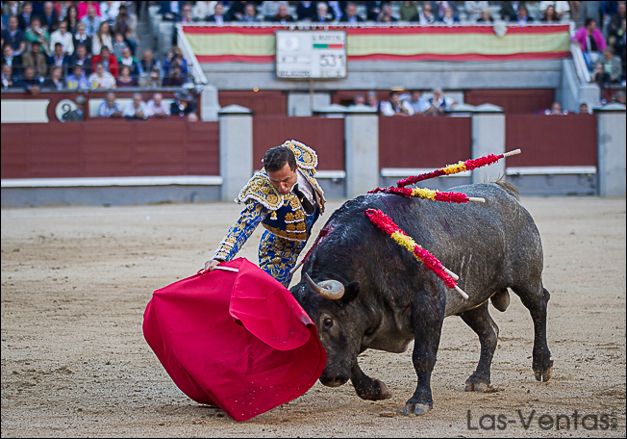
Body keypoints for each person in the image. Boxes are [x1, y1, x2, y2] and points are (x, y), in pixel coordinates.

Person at [201, 140, 326, 287]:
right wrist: (220, 257)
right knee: (272, 293)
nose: (282, 187)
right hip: (279, 249)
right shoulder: (263, 191)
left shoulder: (302, 161)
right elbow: (244, 225)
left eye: (286, 180)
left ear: (296, 168)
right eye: (275, 182)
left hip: (307, 238)